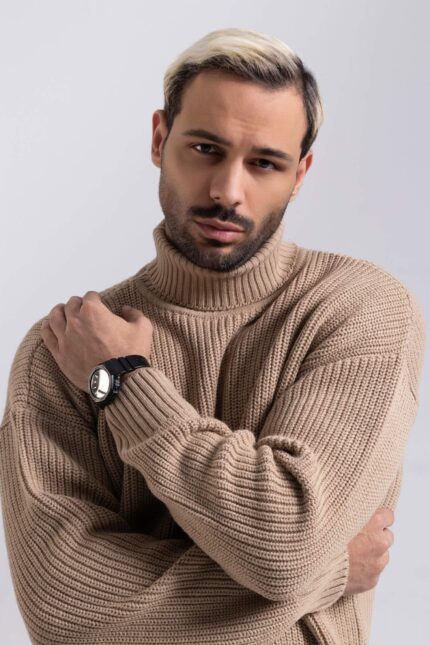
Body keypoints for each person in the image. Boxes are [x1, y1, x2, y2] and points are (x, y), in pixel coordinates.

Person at [0, 26, 425, 645]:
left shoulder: (360, 310)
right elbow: (63, 609)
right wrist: (329, 572)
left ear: (300, 173)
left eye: (264, 163)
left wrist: (121, 383)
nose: (228, 191)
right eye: (205, 148)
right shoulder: (63, 348)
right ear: (159, 139)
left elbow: (285, 544)